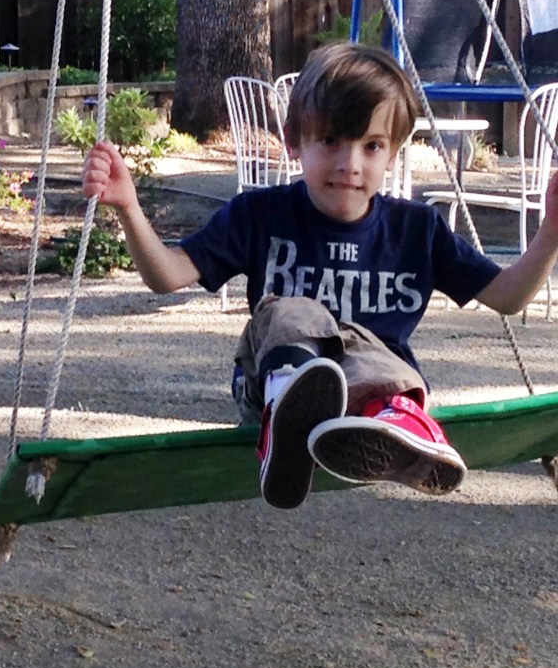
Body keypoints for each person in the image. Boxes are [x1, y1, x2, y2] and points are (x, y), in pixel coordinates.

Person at [81, 43, 558, 509]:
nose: (350, 165)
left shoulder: (418, 229)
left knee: (386, 364)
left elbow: (508, 297)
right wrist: (129, 209)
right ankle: (287, 414)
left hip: (372, 381)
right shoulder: (260, 215)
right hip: (271, 373)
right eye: (331, 141)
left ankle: (395, 430)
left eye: (371, 146)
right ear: (294, 140)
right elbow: (167, 275)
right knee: (294, 311)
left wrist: (552, 232)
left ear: (392, 153)